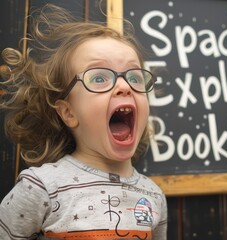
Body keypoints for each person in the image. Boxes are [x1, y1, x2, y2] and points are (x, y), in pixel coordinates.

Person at [0, 4, 167, 240]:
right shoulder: (40, 188)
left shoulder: (154, 195)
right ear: (68, 112)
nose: (124, 86)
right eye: (99, 77)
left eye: (134, 77)